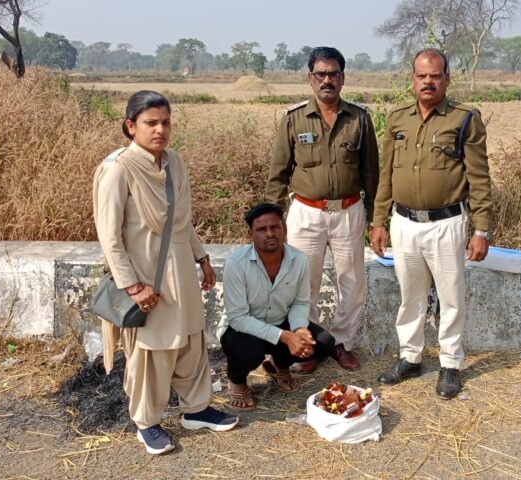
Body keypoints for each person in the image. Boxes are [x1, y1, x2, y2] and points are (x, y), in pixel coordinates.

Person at [93, 91, 238, 455]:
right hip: (146, 279)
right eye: (151, 123)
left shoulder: (175, 162)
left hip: (181, 271)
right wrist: (132, 287)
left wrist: (202, 258)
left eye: (165, 122)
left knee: (190, 340)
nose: (160, 130)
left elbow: (181, 220)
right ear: (131, 126)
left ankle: (196, 409)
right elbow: (109, 237)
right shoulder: (119, 169)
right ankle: (147, 422)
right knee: (153, 351)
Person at [370, 49, 493, 400]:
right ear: (413, 80)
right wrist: (379, 221)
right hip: (404, 223)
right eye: (422, 76)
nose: (428, 82)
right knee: (410, 297)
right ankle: (410, 357)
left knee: (451, 298)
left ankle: (450, 364)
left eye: (435, 76)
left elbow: (479, 178)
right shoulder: (398, 119)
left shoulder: (464, 119)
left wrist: (481, 229)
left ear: (447, 79)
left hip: (446, 223)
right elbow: (386, 175)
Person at [266, 46, 379, 373]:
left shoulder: (359, 118)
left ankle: (342, 343)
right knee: (304, 286)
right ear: (310, 78)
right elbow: (278, 173)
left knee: (352, 284)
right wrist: (270, 221)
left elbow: (372, 174)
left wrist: (377, 220)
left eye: (333, 74)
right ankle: (309, 348)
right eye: (320, 74)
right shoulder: (294, 118)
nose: (326, 80)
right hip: (306, 213)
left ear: (343, 78)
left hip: (349, 212)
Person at [219, 203, 336, 410]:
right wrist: (285, 336)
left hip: (281, 322)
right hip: (243, 330)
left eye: (275, 227)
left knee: (324, 342)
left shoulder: (299, 259)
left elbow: (300, 302)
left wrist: (299, 329)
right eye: (261, 229)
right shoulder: (236, 263)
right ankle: (237, 380)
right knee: (248, 352)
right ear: (250, 234)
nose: (270, 234)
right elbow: (238, 318)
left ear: (284, 229)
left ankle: (278, 366)